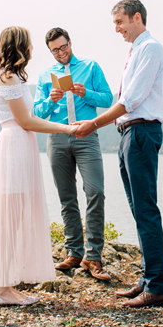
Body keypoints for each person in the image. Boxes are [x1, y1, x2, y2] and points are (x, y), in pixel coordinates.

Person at [74, 0, 163, 308]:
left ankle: (156, 286)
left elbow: (130, 99)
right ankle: (147, 278)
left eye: (119, 22)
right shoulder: (136, 51)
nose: (116, 28)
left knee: (145, 208)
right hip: (130, 133)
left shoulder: (150, 48)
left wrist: (94, 124)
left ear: (136, 17)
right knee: (137, 207)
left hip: (141, 132)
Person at [0, 26, 80, 306]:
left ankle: (8, 285)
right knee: (11, 217)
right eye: (29, 44)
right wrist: (67, 129)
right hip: (14, 144)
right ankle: (1, 289)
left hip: (22, 145)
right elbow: (25, 121)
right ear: (20, 46)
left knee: (18, 216)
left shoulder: (12, 75)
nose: (32, 49)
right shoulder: (7, 75)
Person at [34, 28, 114, 281]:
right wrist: (51, 100)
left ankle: (93, 257)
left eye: (63, 47)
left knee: (95, 192)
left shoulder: (91, 67)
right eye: (55, 50)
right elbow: (38, 112)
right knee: (66, 198)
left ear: (70, 43)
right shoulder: (45, 76)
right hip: (56, 139)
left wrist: (85, 93)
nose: (61, 53)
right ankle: (74, 253)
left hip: (86, 136)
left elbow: (108, 99)